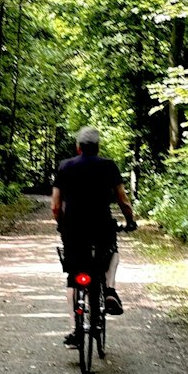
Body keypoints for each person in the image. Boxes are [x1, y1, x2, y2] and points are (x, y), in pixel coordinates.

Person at [52, 126, 137, 347]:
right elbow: (123, 200)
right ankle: (109, 290)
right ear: (98, 147)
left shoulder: (65, 167)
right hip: (101, 227)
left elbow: (55, 206)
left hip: (73, 229)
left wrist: (62, 224)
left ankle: (75, 331)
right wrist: (130, 221)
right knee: (112, 254)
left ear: (78, 147)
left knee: (73, 277)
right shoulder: (108, 166)